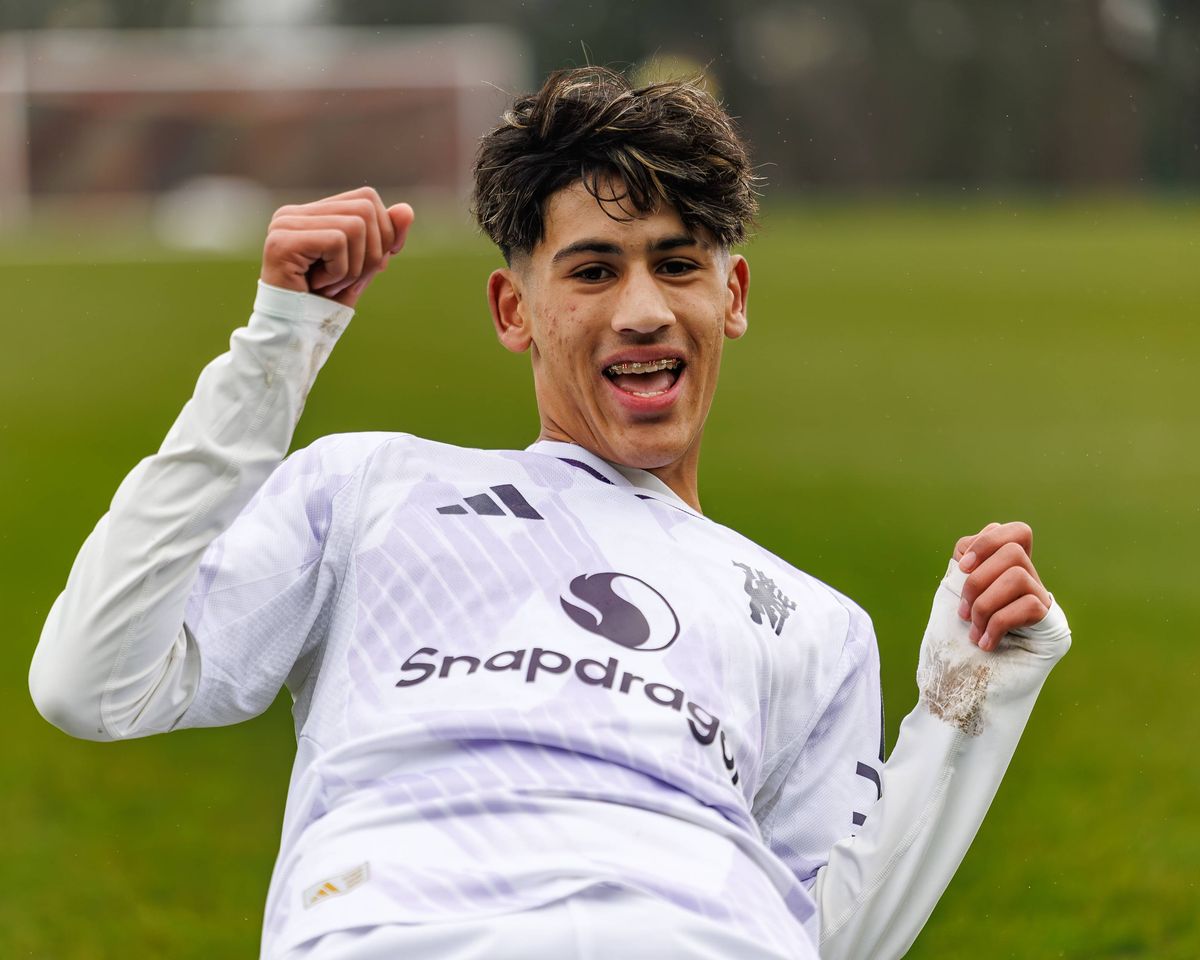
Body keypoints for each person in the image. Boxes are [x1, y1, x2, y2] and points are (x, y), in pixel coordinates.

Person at [28, 67, 1071, 960]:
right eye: (592, 270)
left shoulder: (813, 621)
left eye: (676, 264)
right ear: (512, 310)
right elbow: (92, 681)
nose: (645, 310)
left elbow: (820, 935)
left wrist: (969, 697)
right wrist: (276, 347)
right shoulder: (369, 491)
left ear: (733, 294)